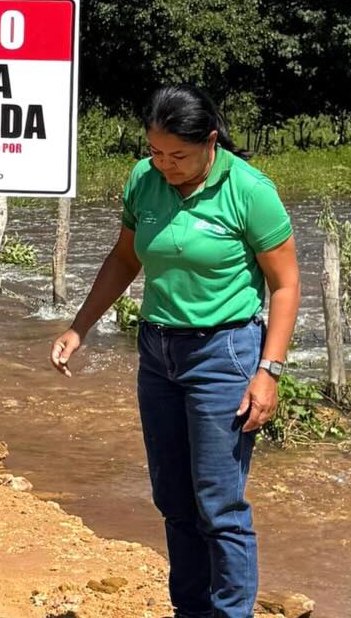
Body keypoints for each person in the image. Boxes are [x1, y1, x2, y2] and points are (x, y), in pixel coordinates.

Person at [51, 85, 300, 618]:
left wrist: (269, 371)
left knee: (220, 504)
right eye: (156, 152)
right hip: (158, 354)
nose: (164, 165)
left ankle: (231, 612)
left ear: (210, 141)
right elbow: (123, 260)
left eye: (178, 155)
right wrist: (80, 327)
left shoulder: (249, 190)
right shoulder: (145, 180)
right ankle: (190, 610)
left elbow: (285, 284)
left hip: (225, 353)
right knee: (173, 502)